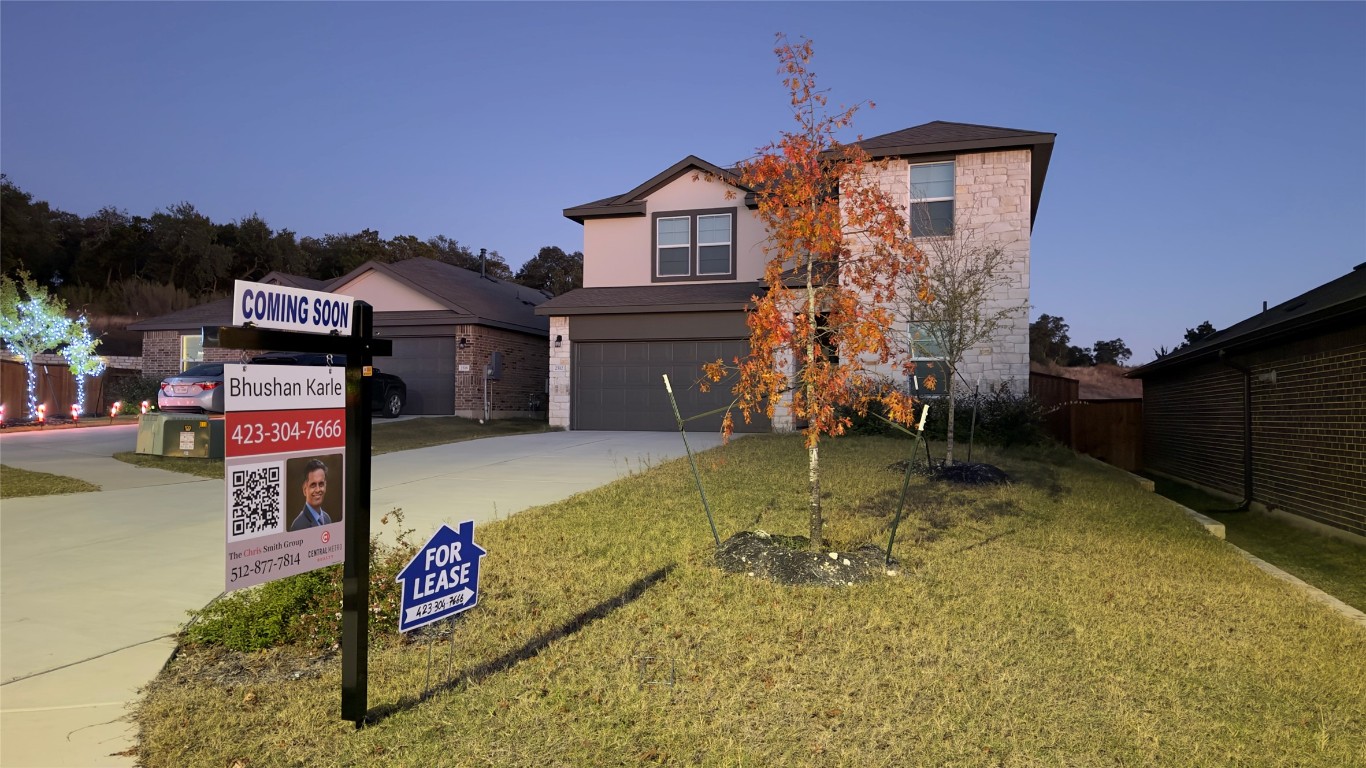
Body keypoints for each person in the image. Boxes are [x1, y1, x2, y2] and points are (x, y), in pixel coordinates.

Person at [289, 458, 333, 531]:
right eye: (313, 485)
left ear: (325, 486)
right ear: (305, 489)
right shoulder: (298, 526)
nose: (318, 490)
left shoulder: (327, 518)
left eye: (321, 484)